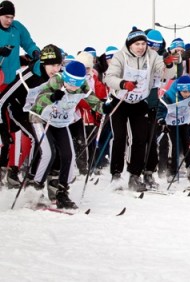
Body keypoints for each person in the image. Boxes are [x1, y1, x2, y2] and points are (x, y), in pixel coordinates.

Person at [28, 60, 107, 208]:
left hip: (60, 122)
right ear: (65, 78)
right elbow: (38, 101)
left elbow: (93, 102)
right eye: (71, 83)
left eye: (77, 83)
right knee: (48, 153)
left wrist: (105, 107)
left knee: (68, 155)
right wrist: (51, 97)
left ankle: (62, 193)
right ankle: (35, 189)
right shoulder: (56, 81)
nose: (74, 87)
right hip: (40, 119)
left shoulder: (82, 86)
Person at [104, 27, 165, 191]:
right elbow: (109, 78)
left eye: (143, 43)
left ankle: (134, 176)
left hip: (139, 102)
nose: (141, 47)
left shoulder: (152, 56)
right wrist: (123, 83)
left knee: (139, 138)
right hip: (120, 101)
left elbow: (164, 70)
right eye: (137, 44)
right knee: (120, 137)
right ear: (130, 45)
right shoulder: (120, 56)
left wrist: (170, 63)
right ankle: (116, 174)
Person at [0, 44, 63, 189]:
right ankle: (31, 183)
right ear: (43, 63)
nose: (56, 69)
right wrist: (3, 128)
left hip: (40, 112)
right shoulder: (26, 75)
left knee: (56, 145)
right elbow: (2, 101)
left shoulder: (59, 75)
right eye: (52, 65)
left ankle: (52, 183)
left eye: (58, 65)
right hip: (20, 111)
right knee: (39, 141)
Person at [158, 75, 190, 182]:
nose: (187, 94)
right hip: (172, 123)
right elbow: (161, 108)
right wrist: (161, 119)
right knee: (175, 145)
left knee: (187, 143)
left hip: (185, 122)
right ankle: (172, 170)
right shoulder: (170, 95)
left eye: (188, 91)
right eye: (184, 92)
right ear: (179, 89)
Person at [0, 0, 40, 91]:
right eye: (6, 17)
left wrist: (35, 52)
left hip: (14, 79)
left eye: (12, 17)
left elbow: (28, 44)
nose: (9, 20)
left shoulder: (17, 27)